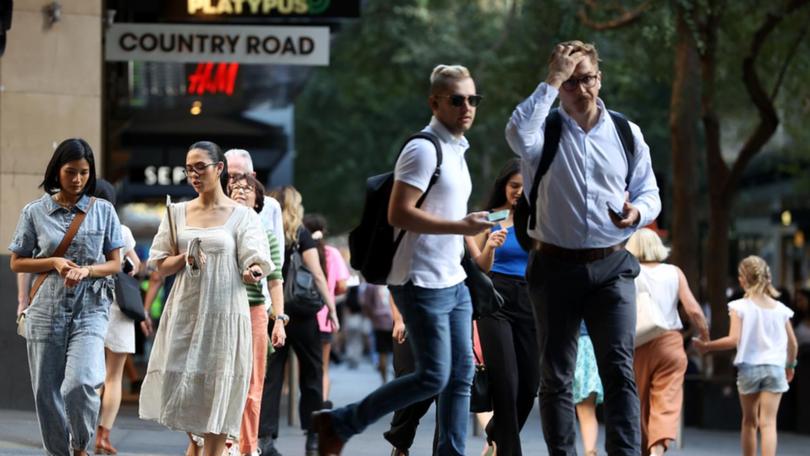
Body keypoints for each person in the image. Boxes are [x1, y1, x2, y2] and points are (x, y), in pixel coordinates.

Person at [311, 64, 493, 456]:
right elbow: (399, 213)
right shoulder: (423, 149)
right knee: (432, 375)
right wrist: (461, 226)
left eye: (472, 100)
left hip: (453, 280)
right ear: (435, 102)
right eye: (457, 99)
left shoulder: (458, 150)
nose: (467, 107)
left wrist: (469, 240)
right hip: (419, 280)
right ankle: (340, 422)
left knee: (461, 377)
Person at [505, 40, 661, 455]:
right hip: (554, 267)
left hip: (612, 266)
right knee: (557, 376)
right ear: (559, 86)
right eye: (569, 82)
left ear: (600, 78)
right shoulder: (543, 133)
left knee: (619, 370)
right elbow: (516, 133)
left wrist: (637, 214)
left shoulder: (626, 132)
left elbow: (649, 192)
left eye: (586, 78)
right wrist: (552, 77)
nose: (580, 88)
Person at [139, 141, 272, 456]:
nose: (194, 174)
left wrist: (253, 271)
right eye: (189, 169)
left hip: (225, 314)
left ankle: (212, 448)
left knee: (218, 400)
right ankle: (199, 445)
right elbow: (159, 263)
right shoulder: (177, 213)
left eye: (201, 167)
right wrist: (185, 257)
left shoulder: (242, 216)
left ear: (220, 168)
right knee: (181, 391)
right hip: (186, 313)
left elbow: (255, 260)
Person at [9, 138, 124, 456]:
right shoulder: (34, 212)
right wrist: (54, 262)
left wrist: (87, 271)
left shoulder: (103, 211)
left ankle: (79, 446)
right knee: (46, 392)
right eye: (71, 171)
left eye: (84, 173)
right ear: (56, 171)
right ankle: (58, 452)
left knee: (81, 383)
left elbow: (115, 263)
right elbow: (17, 261)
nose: (77, 179)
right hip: (46, 308)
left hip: (91, 308)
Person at [258, 186, 339, 456]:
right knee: (312, 375)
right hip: (303, 314)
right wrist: (331, 308)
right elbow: (317, 274)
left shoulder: (263, 230)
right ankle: (313, 437)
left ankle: (266, 438)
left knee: (271, 377)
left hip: (273, 312)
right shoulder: (301, 234)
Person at [467, 158, 539, 456]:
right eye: (513, 186)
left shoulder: (540, 218)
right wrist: (490, 247)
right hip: (495, 299)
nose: (519, 192)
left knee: (529, 384)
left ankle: (495, 435)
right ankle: (509, 451)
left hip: (532, 300)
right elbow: (479, 267)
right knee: (506, 382)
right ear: (503, 187)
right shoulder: (491, 217)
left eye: (525, 186)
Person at [694, 256, 798, 456]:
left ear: (742, 279)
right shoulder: (781, 309)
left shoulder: (739, 306)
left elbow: (733, 340)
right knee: (768, 424)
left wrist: (708, 346)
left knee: (749, 422)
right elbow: (792, 343)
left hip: (749, 367)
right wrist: (790, 366)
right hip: (775, 368)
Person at [626, 228, 710, 455]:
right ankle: (656, 450)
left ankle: (646, 448)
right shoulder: (674, 272)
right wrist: (704, 337)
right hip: (670, 343)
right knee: (666, 401)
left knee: (639, 402)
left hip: (638, 343)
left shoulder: (627, 272)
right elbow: (693, 309)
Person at [226, 173, 287, 456]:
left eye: (247, 188)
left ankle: (247, 448)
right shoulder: (220, 229)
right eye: (234, 187)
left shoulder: (267, 236)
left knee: (252, 385)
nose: (240, 191)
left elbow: (275, 280)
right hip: (222, 311)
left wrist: (280, 320)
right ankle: (223, 443)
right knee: (221, 381)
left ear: (258, 201)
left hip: (254, 311)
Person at [93, 179, 142, 455]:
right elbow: (136, 266)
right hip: (119, 310)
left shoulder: (86, 227)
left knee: (92, 375)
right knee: (113, 377)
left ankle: (84, 432)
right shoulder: (121, 230)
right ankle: (103, 436)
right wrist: (126, 266)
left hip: (92, 307)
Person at [303, 213, 351, 407]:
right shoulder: (332, 252)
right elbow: (343, 286)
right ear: (323, 231)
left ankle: (298, 405)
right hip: (324, 317)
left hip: (301, 315)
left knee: (300, 367)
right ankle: (320, 406)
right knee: (322, 368)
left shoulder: (300, 250)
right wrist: (330, 291)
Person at [224, 148, 285, 263]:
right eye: (227, 176)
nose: (230, 182)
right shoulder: (215, 207)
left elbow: (278, 258)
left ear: (252, 176)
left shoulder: (271, 206)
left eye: (237, 176)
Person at [573, 321, 603, 456]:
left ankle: (590, 452)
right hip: (589, 345)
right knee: (587, 410)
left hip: (576, 344)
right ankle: (590, 452)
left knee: (561, 405)